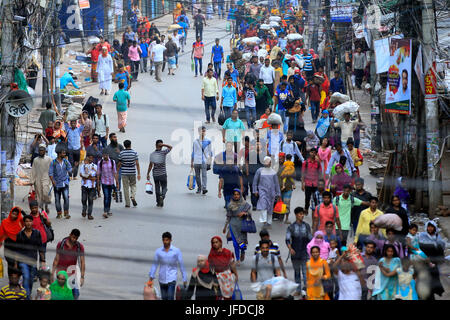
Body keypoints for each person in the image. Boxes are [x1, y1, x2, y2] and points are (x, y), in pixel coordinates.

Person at [149, 232, 188, 300]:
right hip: (162, 279)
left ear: (170, 240)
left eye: (167, 240)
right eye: (163, 240)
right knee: (164, 298)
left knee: (170, 298)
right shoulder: (158, 251)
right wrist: (151, 278)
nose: (165, 242)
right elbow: (154, 265)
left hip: (171, 278)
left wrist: (184, 278)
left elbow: (181, 264)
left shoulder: (176, 251)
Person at [15, 215, 44, 299]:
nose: (28, 223)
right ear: (24, 223)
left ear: (32, 222)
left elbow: (40, 247)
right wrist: (16, 263)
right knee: (26, 277)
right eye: (26, 221)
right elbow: (17, 250)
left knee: (31, 279)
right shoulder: (20, 234)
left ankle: (28, 292)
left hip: (33, 260)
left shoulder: (37, 233)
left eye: (30, 221)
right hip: (23, 261)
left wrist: (43, 260)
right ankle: (26, 296)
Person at [51, 229, 85, 300]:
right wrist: (52, 274)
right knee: (60, 294)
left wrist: (82, 277)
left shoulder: (79, 246)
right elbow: (56, 259)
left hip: (71, 274)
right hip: (61, 274)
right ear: (70, 234)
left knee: (76, 293)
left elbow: (82, 262)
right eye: (73, 237)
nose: (74, 239)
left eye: (76, 238)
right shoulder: (61, 244)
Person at [285, 207, 312, 295]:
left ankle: (307, 290)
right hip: (295, 253)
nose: (302, 215)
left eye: (303, 214)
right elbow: (287, 239)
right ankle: (298, 290)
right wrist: (290, 249)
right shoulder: (291, 227)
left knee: (305, 272)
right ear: (296, 215)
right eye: (300, 214)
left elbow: (310, 239)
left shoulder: (307, 226)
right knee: (297, 272)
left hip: (305, 253)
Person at [418, 220, 446, 300]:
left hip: (433, 264)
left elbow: (441, 251)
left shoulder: (438, 238)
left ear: (435, 228)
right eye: (428, 226)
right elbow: (418, 249)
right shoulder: (421, 236)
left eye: (432, 227)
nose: (430, 228)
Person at [223, 189, 251, 263]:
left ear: (240, 195)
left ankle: (242, 251)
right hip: (233, 225)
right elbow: (228, 216)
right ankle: (237, 258)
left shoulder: (245, 204)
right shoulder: (230, 205)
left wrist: (244, 213)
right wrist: (225, 227)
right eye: (234, 194)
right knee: (235, 243)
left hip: (242, 225)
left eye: (237, 194)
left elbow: (250, 213)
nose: (236, 196)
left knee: (242, 242)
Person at [253, 156, 281, 228]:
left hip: (271, 192)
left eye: (269, 162)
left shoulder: (273, 172)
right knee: (263, 205)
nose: (267, 163)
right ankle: (264, 220)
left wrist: (278, 193)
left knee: (270, 207)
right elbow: (255, 181)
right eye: (266, 161)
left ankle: (269, 222)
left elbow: (276, 183)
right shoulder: (259, 171)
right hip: (262, 191)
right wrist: (255, 190)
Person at [147, 140, 172, 207]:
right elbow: (170, 147)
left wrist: (148, 174)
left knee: (157, 188)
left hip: (155, 174)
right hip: (163, 174)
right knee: (164, 187)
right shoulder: (163, 152)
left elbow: (150, 165)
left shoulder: (152, 154)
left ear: (155, 145)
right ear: (161, 146)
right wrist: (163, 145)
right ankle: (162, 196)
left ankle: (158, 202)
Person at [49, 149, 72, 219]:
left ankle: (66, 213)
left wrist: (72, 169)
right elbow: (50, 173)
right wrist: (52, 181)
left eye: (64, 153)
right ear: (59, 154)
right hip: (57, 184)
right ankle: (59, 213)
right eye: (63, 153)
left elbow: (70, 169)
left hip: (65, 183)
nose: (64, 154)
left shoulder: (66, 161)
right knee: (57, 199)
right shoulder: (53, 162)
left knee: (66, 198)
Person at [118, 140, 140, 208]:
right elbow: (137, 164)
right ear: (130, 144)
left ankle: (127, 203)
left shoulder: (121, 153)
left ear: (124, 145)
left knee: (125, 188)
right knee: (133, 185)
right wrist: (139, 173)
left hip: (124, 172)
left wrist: (116, 171)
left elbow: (119, 164)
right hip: (132, 172)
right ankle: (133, 196)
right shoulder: (134, 153)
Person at [30, 144, 52, 214]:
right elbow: (33, 170)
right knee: (39, 195)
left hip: (46, 178)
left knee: (46, 193)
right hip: (38, 179)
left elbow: (52, 169)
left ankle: (46, 205)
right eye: (40, 150)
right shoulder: (35, 160)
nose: (41, 152)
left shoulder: (49, 159)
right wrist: (32, 181)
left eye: (42, 150)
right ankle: (41, 208)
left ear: (45, 151)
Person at [191, 126, 213, 194]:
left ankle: (204, 188)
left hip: (204, 161)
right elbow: (193, 152)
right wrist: (191, 162)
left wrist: (210, 161)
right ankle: (199, 188)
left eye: (204, 131)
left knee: (204, 175)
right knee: (197, 176)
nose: (203, 132)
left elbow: (210, 152)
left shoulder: (208, 141)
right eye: (201, 131)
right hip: (196, 161)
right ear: (198, 132)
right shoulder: (195, 142)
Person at [97, 150, 118, 218]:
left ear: (108, 155)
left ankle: (108, 210)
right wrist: (98, 184)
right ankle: (105, 211)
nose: (105, 156)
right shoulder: (100, 163)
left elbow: (115, 172)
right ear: (102, 155)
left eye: (106, 155)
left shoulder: (112, 162)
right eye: (104, 155)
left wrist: (117, 182)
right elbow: (98, 173)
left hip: (111, 182)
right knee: (106, 196)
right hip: (104, 182)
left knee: (109, 197)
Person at [63, 114, 85, 180]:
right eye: (72, 123)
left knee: (76, 162)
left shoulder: (78, 130)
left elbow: (83, 124)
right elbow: (65, 122)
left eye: (74, 123)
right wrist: (66, 114)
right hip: (70, 149)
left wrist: (81, 116)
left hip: (77, 149)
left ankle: (75, 175)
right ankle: (70, 175)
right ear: (70, 124)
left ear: (76, 123)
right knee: (70, 162)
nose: (73, 124)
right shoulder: (68, 129)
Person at [302, 148, 322, 214]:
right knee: (307, 198)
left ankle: (315, 211)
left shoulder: (318, 163)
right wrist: (302, 184)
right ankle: (306, 208)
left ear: (316, 154)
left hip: (315, 183)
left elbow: (320, 173)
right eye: (312, 152)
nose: (313, 154)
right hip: (308, 183)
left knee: (315, 198)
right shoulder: (306, 163)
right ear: (309, 153)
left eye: (314, 153)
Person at [79, 153, 97, 220]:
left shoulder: (95, 166)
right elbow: (81, 174)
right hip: (84, 185)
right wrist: (89, 177)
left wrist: (89, 178)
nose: (90, 159)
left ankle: (89, 214)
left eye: (92, 158)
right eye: (89, 158)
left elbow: (96, 176)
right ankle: (84, 210)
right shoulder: (83, 166)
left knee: (90, 200)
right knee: (83, 199)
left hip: (92, 186)